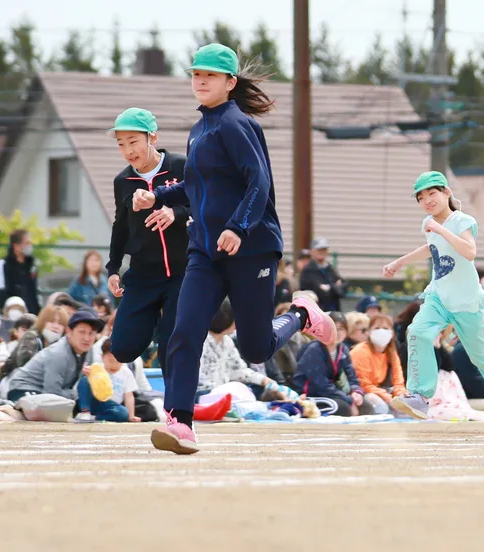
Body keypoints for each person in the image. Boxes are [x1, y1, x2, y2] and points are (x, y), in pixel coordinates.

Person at [131, 43, 335, 454]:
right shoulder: (198, 130)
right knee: (183, 330)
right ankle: (180, 423)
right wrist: (160, 196)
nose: (201, 80)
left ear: (230, 82)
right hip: (205, 251)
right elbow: (196, 184)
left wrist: (239, 228)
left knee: (256, 346)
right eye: (195, 74)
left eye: (210, 75)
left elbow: (258, 184)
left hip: (251, 250)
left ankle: (300, 313)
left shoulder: (236, 125)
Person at [381, 171, 484, 419]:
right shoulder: (429, 224)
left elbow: (469, 251)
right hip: (438, 295)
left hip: (464, 299)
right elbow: (432, 248)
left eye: (432, 193)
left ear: (446, 193)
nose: (427, 200)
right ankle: (420, 396)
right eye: (420, 197)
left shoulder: (462, 220)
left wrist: (439, 228)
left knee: (479, 353)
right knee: (417, 332)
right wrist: (399, 262)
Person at [105, 108, 189, 385]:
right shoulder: (122, 181)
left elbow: (205, 204)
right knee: (122, 348)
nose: (128, 150)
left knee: (171, 349)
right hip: (144, 273)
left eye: (133, 141)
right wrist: (114, 268)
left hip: (183, 271)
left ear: (152, 137)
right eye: (120, 144)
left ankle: (175, 411)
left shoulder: (181, 166)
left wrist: (174, 213)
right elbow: (121, 226)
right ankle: (152, 316)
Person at [6, 309, 104, 402]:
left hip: (52, 394)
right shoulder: (58, 352)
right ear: (69, 332)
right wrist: (77, 393)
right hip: (23, 389)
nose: (87, 338)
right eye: (82, 332)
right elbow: (52, 394)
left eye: (91, 333)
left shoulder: (89, 351)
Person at [349, 313, 406, 415]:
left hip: (380, 390)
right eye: (377, 328)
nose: (381, 331)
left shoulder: (392, 353)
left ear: (392, 333)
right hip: (360, 392)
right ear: (369, 332)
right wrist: (388, 398)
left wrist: (401, 394)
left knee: (407, 408)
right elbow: (363, 384)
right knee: (381, 408)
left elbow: (398, 381)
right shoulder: (360, 351)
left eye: (385, 328)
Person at [0, 228, 40, 314]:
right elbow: (1, 292)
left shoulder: (32, 266)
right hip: (12, 315)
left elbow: (35, 292)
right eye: (27, 243)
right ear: (16, 246)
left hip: (32, 316)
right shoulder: (3, 265)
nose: (30, 246)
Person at [298, 237, 346, 312]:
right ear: (311, 251)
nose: (322, 252)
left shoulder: (330, 269)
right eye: (319, 250)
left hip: (334, 311)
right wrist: (335, 287)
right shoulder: (308, 271)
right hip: (316, 312)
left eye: (324, 250)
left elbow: (343, 288)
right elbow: (320, 293)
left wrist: (329, 287)